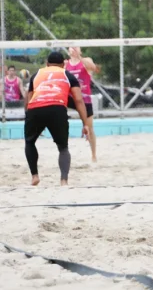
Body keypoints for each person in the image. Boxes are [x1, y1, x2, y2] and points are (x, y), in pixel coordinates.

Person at [24, 51, 90, 186]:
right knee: (63, 148)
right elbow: (78, 100)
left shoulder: (36, 74)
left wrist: (30, 119)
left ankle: (34, 176)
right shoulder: (68, 75)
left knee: (30, 142)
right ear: (63, 64)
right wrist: (85, 123)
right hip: (57, 108)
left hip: (35, 108)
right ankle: (64, 180)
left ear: (47, 64)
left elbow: (28, 98)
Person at [64, 47, 100, 162]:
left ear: (80, 51)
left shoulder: (86, 61)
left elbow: (94, 68)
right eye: (72, 48)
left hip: (84, 98)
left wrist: (79, 57)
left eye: (76, 48)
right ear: (68, 51)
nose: (74, 49)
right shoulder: (66, 64)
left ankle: (93, 155)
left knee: (89, 127)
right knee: (58, 103)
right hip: (71, 97)